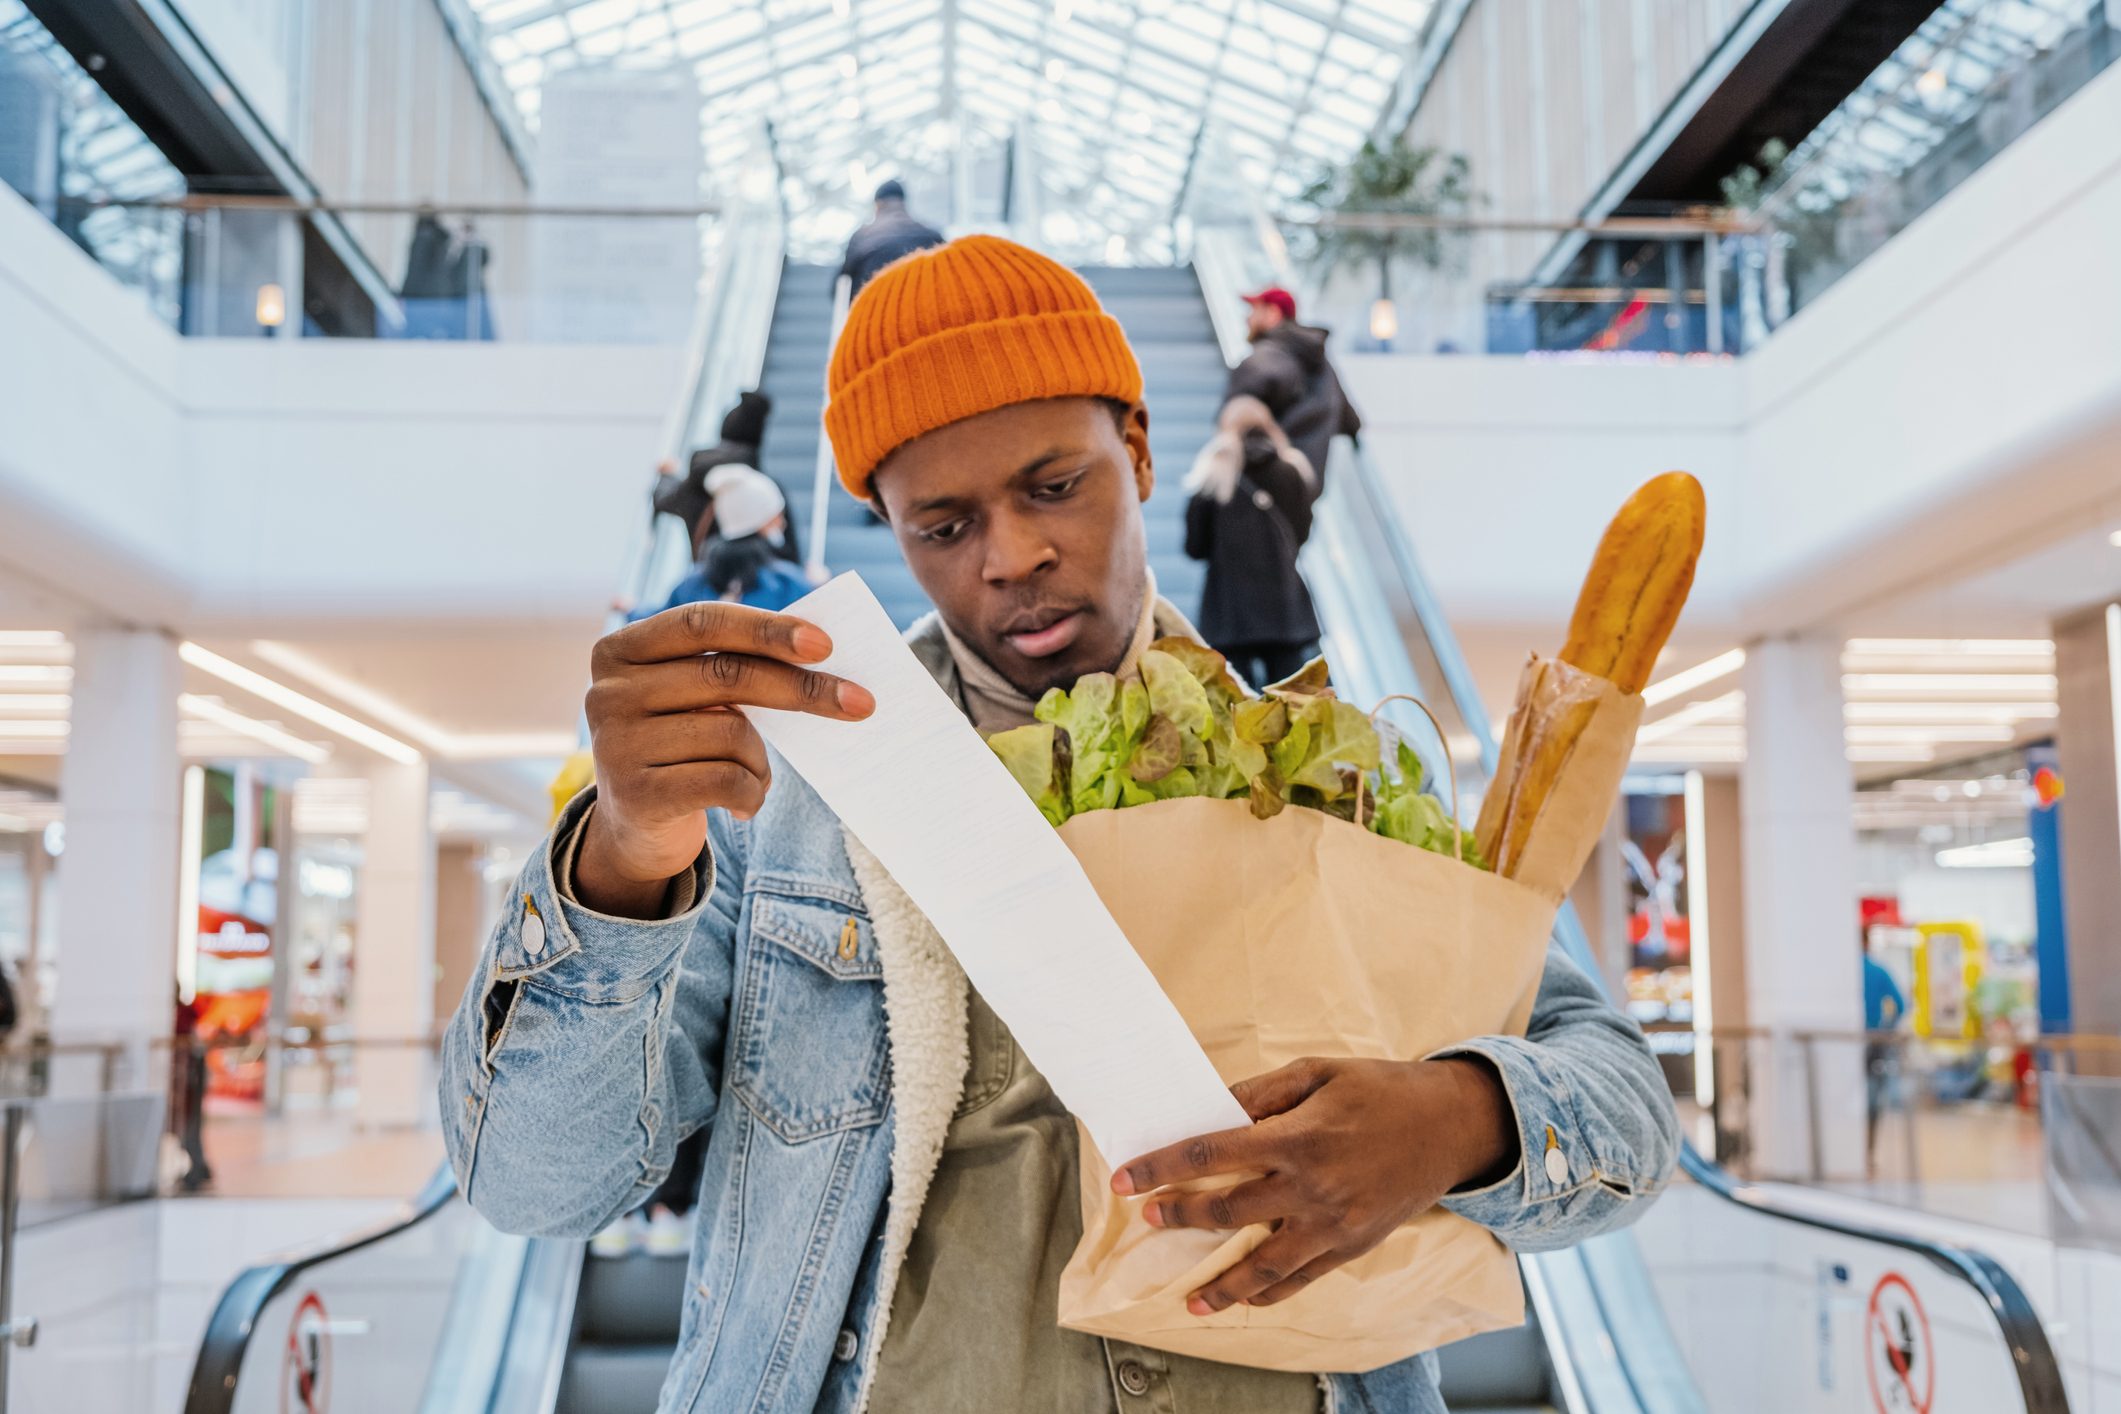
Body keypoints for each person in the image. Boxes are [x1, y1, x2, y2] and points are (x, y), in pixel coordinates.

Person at [440, 235, 1678, 1414]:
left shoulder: (1331, 771)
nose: (1014, 554)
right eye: (945, 525)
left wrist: (1459, 1118)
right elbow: (536, 1181)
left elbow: (1622, 1097)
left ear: (1138, 451)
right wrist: (624, 862)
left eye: (1054, 485)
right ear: (890, 525)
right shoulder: (781, 807)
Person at [1182, 394, 1323, 690]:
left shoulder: (1213, 472)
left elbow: (1194, 546)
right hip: (1283, 606)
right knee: (1291, 704)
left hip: (1229, 609)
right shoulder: (1292, 469)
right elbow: (1303, 535)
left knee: (1234, 700)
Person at [1226, 286, 1363, 484]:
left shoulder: (1263, 361)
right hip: (1306, 484)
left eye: (1254, 310)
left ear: (1273, 313)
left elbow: (1233, 416)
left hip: (1265, 484)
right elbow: (1350, 420)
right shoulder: (1320, 362)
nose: (1247, 319)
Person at [631, 467, 809, 619]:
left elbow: (661, 622)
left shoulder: (693, 582)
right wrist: (819, 584)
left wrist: (630, 610)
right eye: (776, 516)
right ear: (761, 522)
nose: (782, 523)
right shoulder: (785, 582)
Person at [837, 179, 946, 295]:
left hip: (875, 308)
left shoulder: (861, 236)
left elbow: (842, 281)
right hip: (922, 306)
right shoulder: (932, 236)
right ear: (903, 203)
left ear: (877, 205)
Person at [1863, 943, 1908, 1172]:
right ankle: (1868, 1152)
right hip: (1874, 1042)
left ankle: (1852, 1148)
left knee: (1849, 1099)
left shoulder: (1845, 970)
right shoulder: (1877, 970)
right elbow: (1901, 1004)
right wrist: (1887, 1029)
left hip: (1849, 1047)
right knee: (1871, 1099)